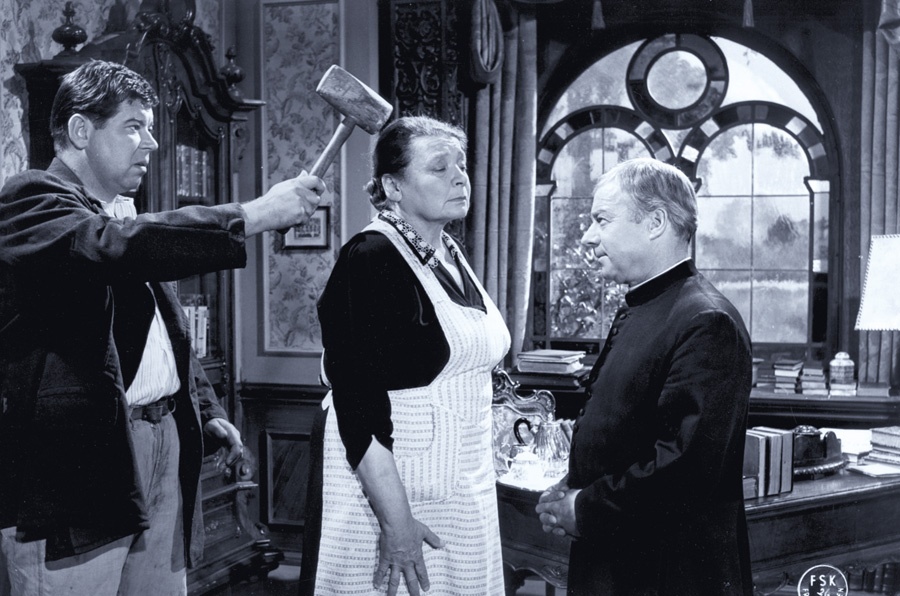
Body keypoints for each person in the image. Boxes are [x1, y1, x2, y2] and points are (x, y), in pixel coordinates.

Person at [0, 59, 325, 595]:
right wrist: (253, 214)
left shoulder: (123, 212)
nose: (151, 143)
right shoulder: (31, 200)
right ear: (80, 130)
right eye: (134, 126)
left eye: (151, 127)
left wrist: (206, 410)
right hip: (75, 463)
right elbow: (111, 247)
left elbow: (164, 332)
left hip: (163, 441)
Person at [301, 115, 510, 596]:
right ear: (393, 187)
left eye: (461, 166)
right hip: (396, 494)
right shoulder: (371, 257)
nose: (460, 178)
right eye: (439, 167)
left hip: (463, 485)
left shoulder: (447, 253)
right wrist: (396, 526)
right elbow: (358, 407)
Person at [535, 158, 754, 596]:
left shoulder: (707, 321)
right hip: (617, 560)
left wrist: (585, 507)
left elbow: (685, 470)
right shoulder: (646, 304)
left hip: (667, 575)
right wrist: (573, 486)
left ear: (655, 222)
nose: (588, 236)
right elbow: (623, 433)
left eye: (601, 220)